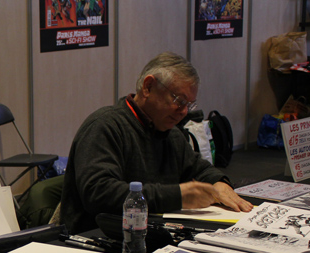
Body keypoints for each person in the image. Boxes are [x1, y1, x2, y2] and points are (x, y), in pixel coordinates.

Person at [57, 51, 253, 233]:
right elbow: (99, 194)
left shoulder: (170, 132)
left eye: (189, 104)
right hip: (96, 237)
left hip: (149, 234)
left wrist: (218, 183)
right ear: (148, 87)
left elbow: (197, 168)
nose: (184, 111)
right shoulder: (105, 126)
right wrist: (177, 197)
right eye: (179, 101)